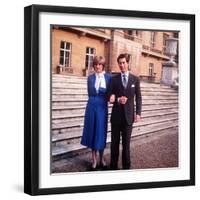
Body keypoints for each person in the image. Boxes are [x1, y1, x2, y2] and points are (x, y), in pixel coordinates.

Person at [109, 53, 142, 170]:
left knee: (126, 145)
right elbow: (109, 95)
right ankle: (113, 166)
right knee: (114, 144)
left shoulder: (135, 79)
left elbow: (138, 97)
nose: (122, 65)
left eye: (124, 63)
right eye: (120, 63)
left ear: (128, 63)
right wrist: (117, 99)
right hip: (116, 117)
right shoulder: (113, 79)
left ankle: (126, 167)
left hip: (129, 117)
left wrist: (138, 113)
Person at [81, 56, 111, 170]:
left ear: (103, 65)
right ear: (94, 65)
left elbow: (110, 93)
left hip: (102, 108)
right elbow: (90, 94)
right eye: (96, 64)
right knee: (93, 132)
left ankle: (102, 158)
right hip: (91, 107)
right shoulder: (90, 78)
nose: (98, 66)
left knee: (101, 133)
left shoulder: (109, 78)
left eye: (100, 64)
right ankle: (93, 158)